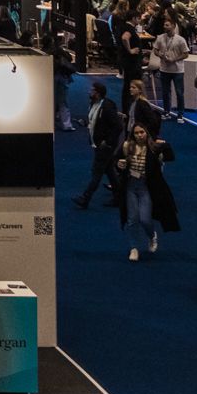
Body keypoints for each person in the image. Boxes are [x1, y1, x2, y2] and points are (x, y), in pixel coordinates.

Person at [115, 121, 177, 261]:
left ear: (146, 133)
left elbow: (171, 156)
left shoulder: (153, 148)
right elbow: (116, 160)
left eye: (141, 132)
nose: (139, 135)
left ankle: (152, 236)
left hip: (145, 187)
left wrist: (165, 144)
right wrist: (120, 165)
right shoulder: (127, 146)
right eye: (136, 133)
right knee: (132, 219)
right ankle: (134, 248)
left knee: (145, 219)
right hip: (130, 186)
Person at [72, 81, 123, 210]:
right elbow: (94, 121)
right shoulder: (93, 104)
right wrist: (86, 123)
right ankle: (119, 197)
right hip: (98, 144)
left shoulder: (107, 106)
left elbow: (118, 126)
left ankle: (85, 198)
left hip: (105, 147)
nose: (89, 92)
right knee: (109, 170)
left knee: (97, 172)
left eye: (92, 90)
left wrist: (108, 142)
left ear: (98, 93)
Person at [151, 18, 189, 116]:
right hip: (164, 69)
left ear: (173, 26)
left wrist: (174, 59)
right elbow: (155, 50)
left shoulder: (180, 40)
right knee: (165, 92)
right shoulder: (160, 38)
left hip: (178, 70)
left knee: (179, 93)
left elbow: (185, 54)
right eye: (164, 25)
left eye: (167, 25)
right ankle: (166, 111)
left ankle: (180, 113)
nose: (165, 27)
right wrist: (160, 55)